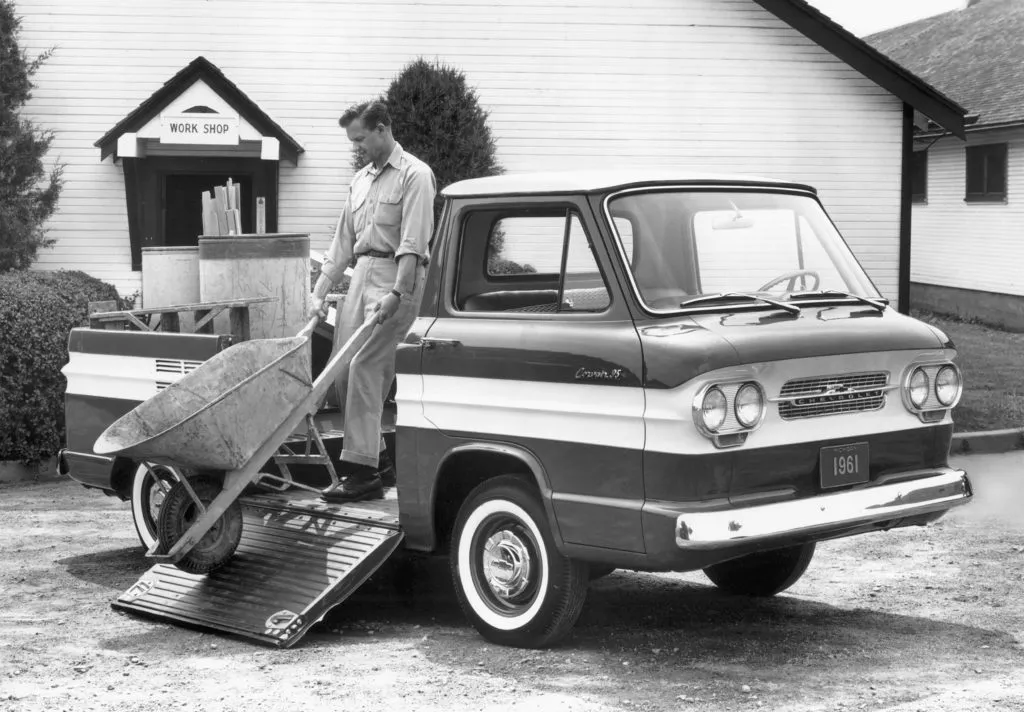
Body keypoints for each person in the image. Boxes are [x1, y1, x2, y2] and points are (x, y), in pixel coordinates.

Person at [311, 100, 436, 502]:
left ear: (382, 129)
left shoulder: (416, 176)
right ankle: (378, 461)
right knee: (342, 369)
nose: (357, 147)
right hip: (361, 275)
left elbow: (413, 244)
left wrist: (398, 294)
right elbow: (342, 242)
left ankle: (361, 473)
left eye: (361, 139)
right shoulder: (360, 180)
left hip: (397, 280)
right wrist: (318, 291)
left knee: (367, 368)